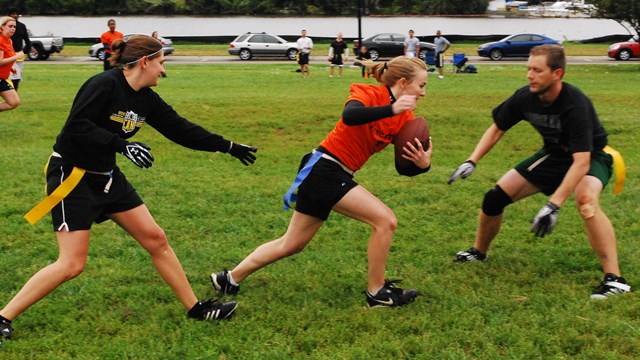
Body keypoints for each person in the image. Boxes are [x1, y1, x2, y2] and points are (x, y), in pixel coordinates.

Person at [0, 35, 259, 346]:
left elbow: (180, 128)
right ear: (145, 61)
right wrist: (123, 146)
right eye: (161, 63)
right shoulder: (103, 84)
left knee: (156, 239)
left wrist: (227, 146)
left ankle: (196, 309)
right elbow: (76, 127)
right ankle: (3, 316)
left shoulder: (146, 98)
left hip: (108, 177)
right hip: (73, 177)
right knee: (71, 264)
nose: (163, 70)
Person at [210, 56, 432, 308]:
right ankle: (377, 292)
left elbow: (403, 169)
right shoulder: (369, 92)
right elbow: (350, 115)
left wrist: (423, 165)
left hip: (331, 174)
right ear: (403, 83)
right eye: (421, 85)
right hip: (324, 169)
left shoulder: (405, 118)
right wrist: (392, 108)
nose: (423, 93)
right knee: (385, 220)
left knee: (291, 244)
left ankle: (229, 278)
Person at [448, 44, 631, 300]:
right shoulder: (525, 97)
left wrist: (553, 205)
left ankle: (616, 280)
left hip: (591, 156)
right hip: (554, 155)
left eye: (537, 70)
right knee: (494, 199)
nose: (529, 75)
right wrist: (472, 160)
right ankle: (479, 252)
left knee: (586, 202)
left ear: (557, 74)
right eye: (528, 69)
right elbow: (498, 127)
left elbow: (581, 162)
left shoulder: (575, 105)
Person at [0, 16, 23, 112]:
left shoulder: (9, 40)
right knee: (13, 102)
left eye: (14, 27)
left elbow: (7, 58)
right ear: (2, 27)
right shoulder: (1, 41)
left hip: (2, 78)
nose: (13, 29)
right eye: (10, 26)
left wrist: (11, 69)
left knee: (14, 102)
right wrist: (17, 57)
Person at [7, 7, 30, 91]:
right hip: (8, 55)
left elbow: (27, 41)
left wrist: (24, 52)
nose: (15, 15)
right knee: (14, 76)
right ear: (9, 15)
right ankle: (12, 96)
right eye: (13, 14)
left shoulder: (22, 26)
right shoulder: (4, 27)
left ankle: (13, 95)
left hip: (19, 55)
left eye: (16, 14)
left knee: (17, 76)